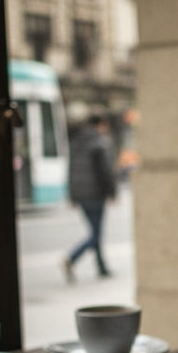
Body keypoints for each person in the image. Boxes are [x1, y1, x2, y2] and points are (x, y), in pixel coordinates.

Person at [61, 114, 118, 283]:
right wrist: (111, 193)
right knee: (96, 234)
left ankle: (101, 267)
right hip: (95, 194)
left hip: (81, 194)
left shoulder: (77, 141)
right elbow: (105, 172)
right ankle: (72, 258)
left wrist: (72, 195)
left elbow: (71, 169)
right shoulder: (100, 143)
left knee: (95, 231)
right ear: (100, 125)